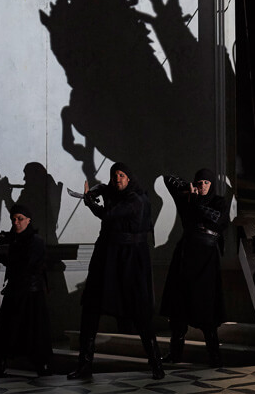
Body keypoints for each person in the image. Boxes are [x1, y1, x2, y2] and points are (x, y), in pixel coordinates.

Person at [67, 163, 163, 380]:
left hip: (130, 260)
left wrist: (90, 201)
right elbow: (106, 192)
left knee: (139, 312)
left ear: (129, 178)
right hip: (107, 256)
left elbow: (109, 214)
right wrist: (97, 190)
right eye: (114, 175)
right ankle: (84, 365)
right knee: (91, 306)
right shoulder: (116, 192)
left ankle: (156, 362)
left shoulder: (137, 199)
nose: (117, 179)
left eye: (121, 175)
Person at [160, 168, 229, 366]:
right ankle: (175, 354)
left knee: (206, 308)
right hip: (186, 255)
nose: (202, 186)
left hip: (206, 257)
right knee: (179, 307)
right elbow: (167, 177)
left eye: (206, 183)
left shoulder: (219, 202)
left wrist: (196, 201)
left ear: (212, 184)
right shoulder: (187, 199)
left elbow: (216, 218)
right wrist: (187, 189)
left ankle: (214, 356)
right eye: (199, 182)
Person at [0, 204, 52, 376]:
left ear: (28, 220)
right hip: (16, 290)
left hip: (31, 293)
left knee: (34, 331)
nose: (16, 222)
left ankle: (41, 364)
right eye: (13, 219)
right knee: (5, 329)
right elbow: (14, 261)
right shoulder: (16, 239)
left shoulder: (35, 241)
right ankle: (0, 363)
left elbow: (22, 264)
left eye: (20, 219)